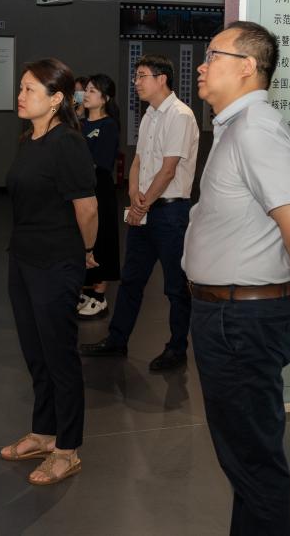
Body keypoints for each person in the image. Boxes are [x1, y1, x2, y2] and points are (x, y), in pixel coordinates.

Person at [184, 21, 290, 534]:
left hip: (239, 322)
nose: (203, 66)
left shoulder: (255, 129)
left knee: (254, 467)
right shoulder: (238, 128)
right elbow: (271, 230)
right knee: (246, 461)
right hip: (233, 314)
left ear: (248, 67)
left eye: (214, 55)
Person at [0, 58, 97, 486]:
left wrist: (86, 251)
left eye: (29, 90)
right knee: (35, 353)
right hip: (23, 259)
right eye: (21, 87)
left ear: (56, 99)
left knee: (60, 357)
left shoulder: (68, 143)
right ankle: (43, 432)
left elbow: (87, 209)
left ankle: (67, 448)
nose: (20, 96)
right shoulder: (29, 139)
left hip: (57, 262)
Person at [80, 54, 198, 372]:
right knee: (131, 280)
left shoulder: (180, 115)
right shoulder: (149, 115)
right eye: (135, 77)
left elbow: (169, 169)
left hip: (170, 212)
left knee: (175, 286)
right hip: (144, 209)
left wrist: (140, 205)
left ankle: (177, 348)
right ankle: (117, 340)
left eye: (142, 76)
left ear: (162, 79)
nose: (136, 83)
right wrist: (134, 196)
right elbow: (138, 162)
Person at [75, 73, 121, 319]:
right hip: (79, 190)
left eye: (92, 91)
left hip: (99, 190)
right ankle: (85, 290)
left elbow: (101, 162)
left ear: (104, 98)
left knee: (101, 239)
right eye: (86, 90)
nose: (86, 94)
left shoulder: (108, 125)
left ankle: (99, 296)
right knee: (82, 238)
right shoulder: (79, 124)